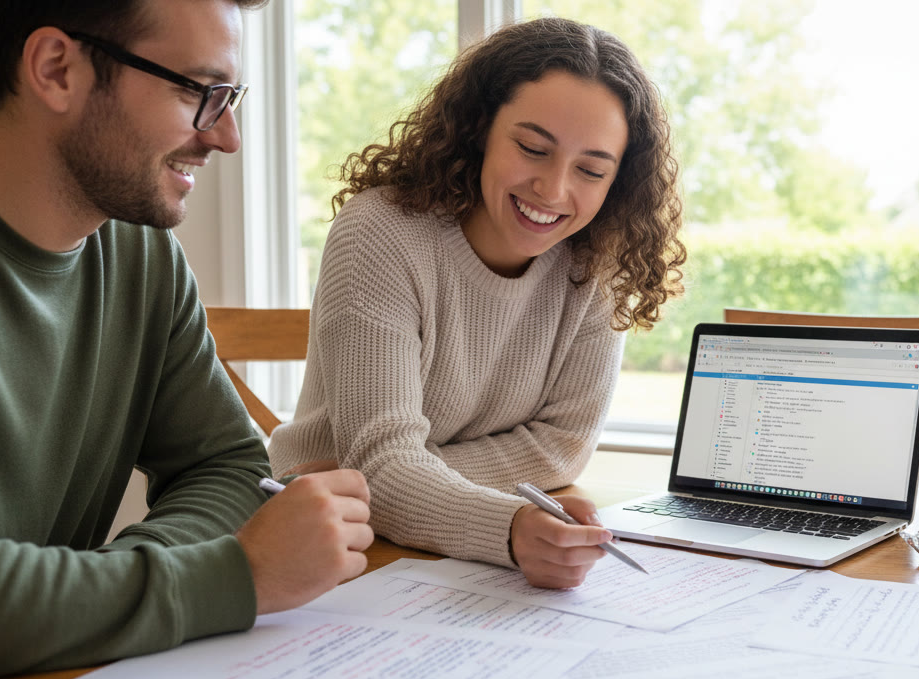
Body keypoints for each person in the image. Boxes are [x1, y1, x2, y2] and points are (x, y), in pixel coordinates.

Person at [0, 0, 375, 679]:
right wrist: (233, 576)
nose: (226, 136)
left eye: (228, 97)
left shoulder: (141, 255)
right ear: (56, 70)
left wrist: (125, 588)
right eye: (197, 91)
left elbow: (227, 468)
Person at [268, 17, 686, 589]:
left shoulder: (597, 264)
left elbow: (563, 447)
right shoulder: (381, 234)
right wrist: (509, 527)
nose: (554, 190)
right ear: (478, 129)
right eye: (533, 147)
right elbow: (383, 468)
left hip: (428, 543)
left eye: (591, 170)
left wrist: (397, 473)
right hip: (326, 547)